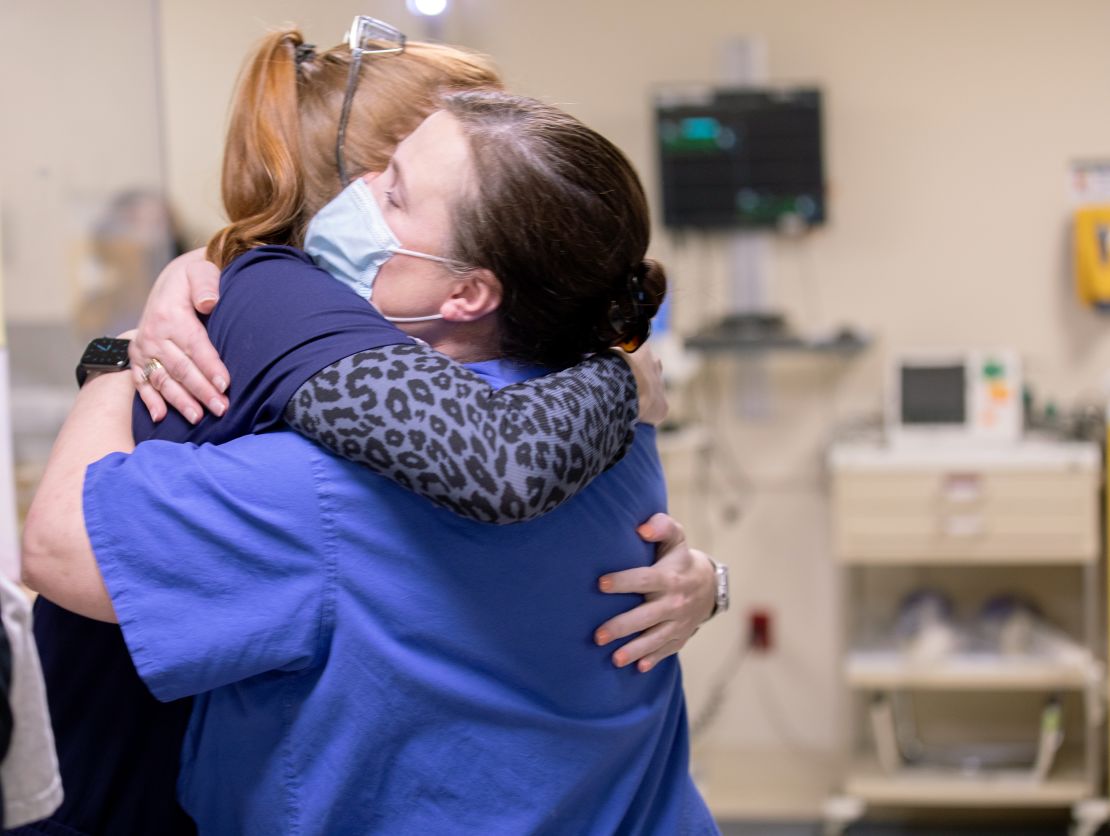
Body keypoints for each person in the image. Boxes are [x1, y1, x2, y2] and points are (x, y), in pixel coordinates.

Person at [25, 21, 722, 836]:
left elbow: (60, 545)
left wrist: (113, 366)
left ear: (472, 286)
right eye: (389, 178)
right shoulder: (605, 411)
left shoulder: (323, 484)